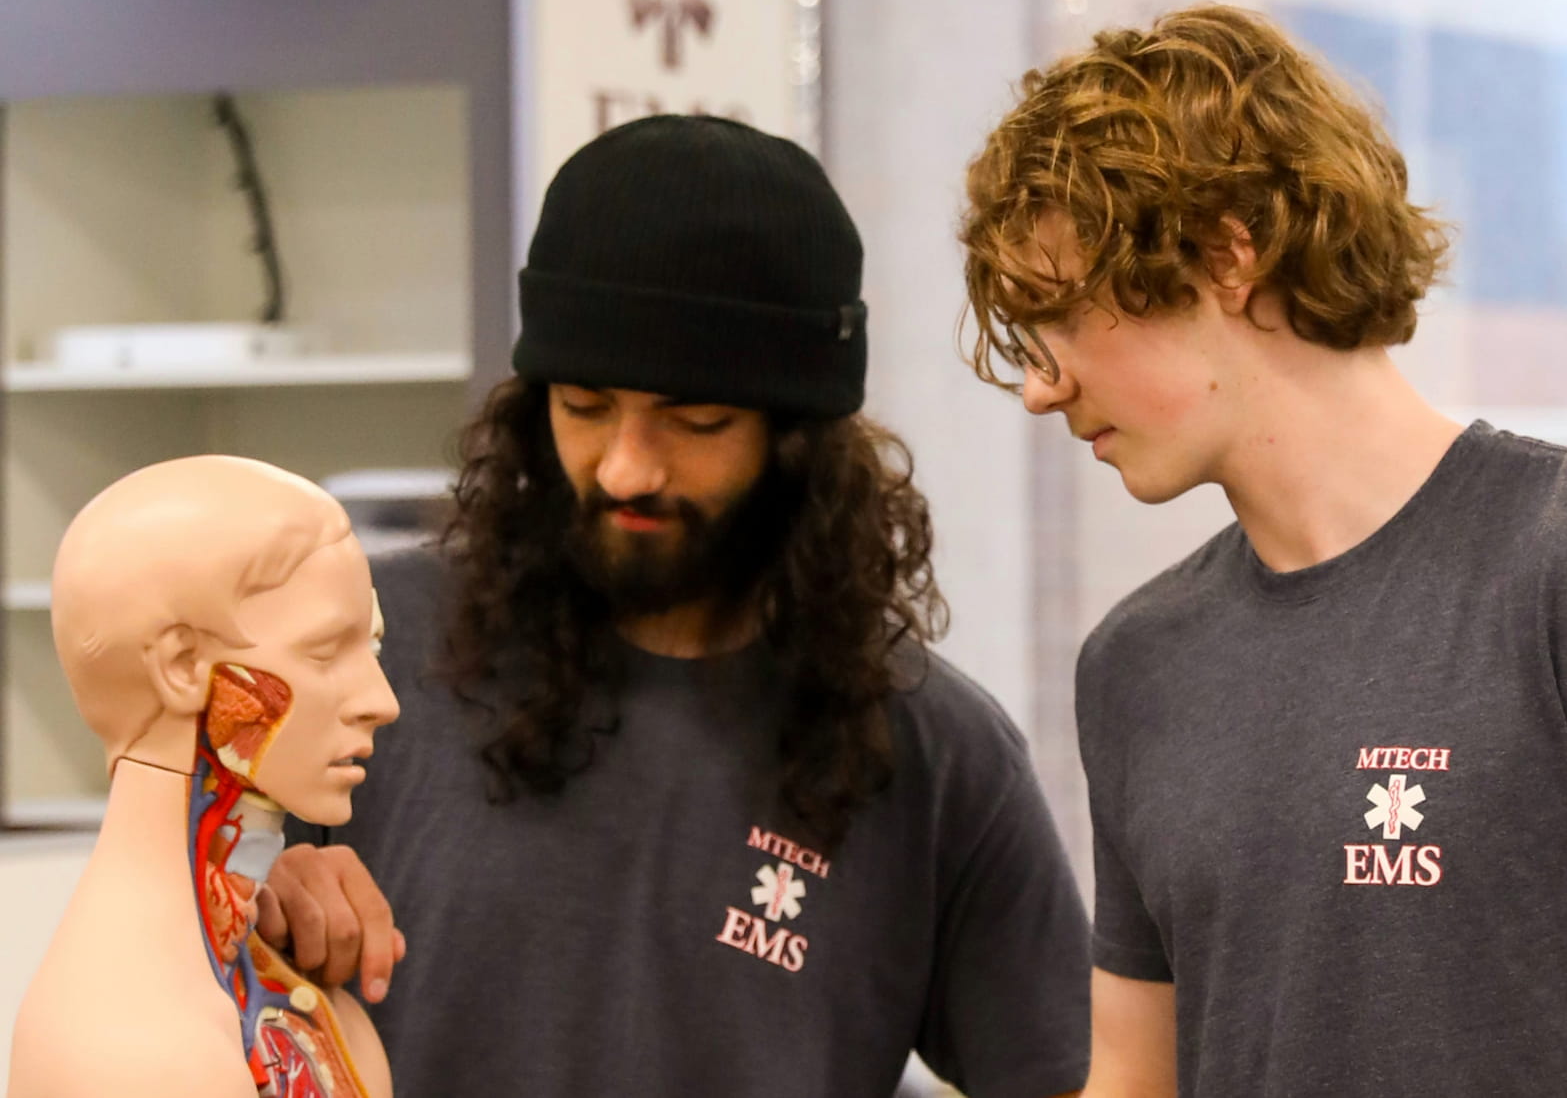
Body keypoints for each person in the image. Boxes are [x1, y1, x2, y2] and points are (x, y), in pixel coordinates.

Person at [263, 114, 1091, 1098]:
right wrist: (257, 911)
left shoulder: (930, 751)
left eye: (695, 421)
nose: (624, 465)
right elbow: (173, 963)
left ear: (797, 443)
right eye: (582, 404)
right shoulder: (362, 648)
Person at [959, 2, 1567, 1098]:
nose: (1038, 386)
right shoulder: (1133, 662)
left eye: (1059, 316)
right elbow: (1130, 1075)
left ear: (1224, 254)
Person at [9, 455, 396, 1098]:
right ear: (183, 666)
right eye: (326, 651)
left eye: (372, 649)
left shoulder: (291, 1002)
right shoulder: (129, 1050)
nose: (381, 700)